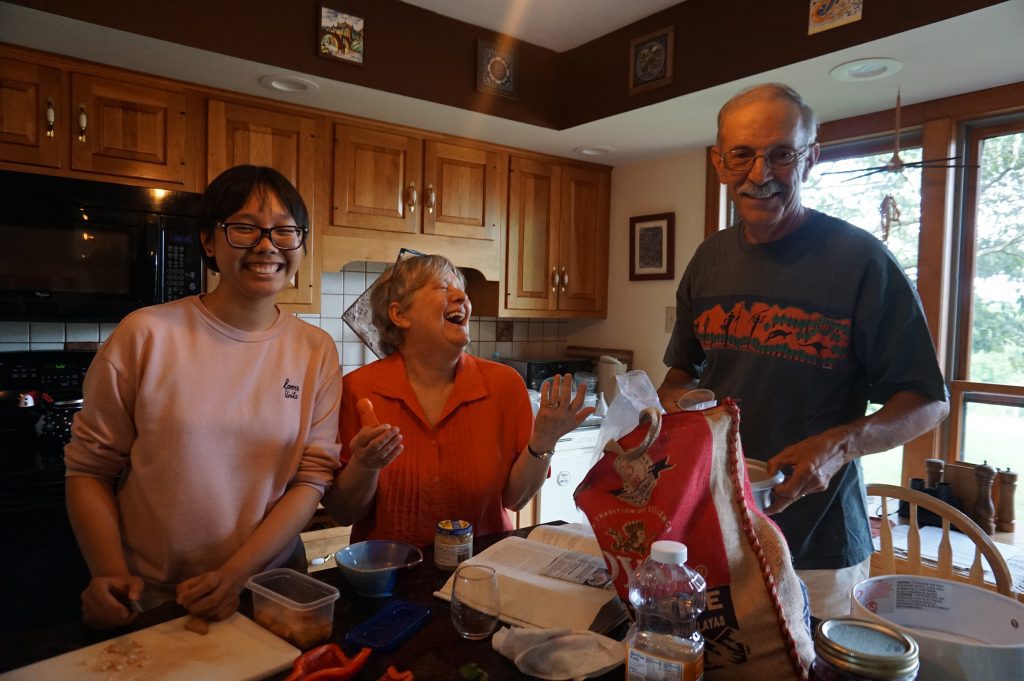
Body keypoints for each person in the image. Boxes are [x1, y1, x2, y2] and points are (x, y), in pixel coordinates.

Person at [658, 83, 949, 619]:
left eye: (781, 153)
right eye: (742, 154)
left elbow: (928, 400)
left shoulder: (861, 262)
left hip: (819, 549)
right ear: (720, 163)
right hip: (715, 529)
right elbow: (683, 370)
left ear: (810, 158)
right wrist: (673, 402)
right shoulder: (709, 259)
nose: (760, 173)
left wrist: (840, 445)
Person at [64, 165, 341, 628]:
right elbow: (89, 469)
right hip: (157, 599)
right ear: (209, 243)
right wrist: (109, 573)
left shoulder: (315, 350)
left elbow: (311, 479)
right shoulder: (146, 334)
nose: (266, 245)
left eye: (285, 231)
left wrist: (235, 576)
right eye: (245, 227)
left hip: (269, 591)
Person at [322, 252, 593, 546]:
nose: (461, 296)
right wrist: (365, 464)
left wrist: (544, 441)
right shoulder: (357, 391)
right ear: (399, 315)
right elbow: (344, 512)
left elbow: (515, 500)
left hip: (483, 571)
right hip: (389, 578)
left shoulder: (504, 385)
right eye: (442, 287)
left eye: (461, 289)